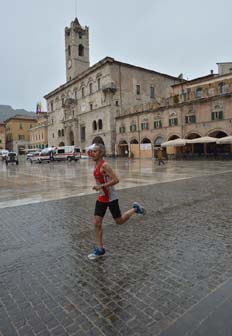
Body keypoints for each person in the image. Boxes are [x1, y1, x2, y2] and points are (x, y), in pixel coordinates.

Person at [88, 143, 146, 260]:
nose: (92, 153)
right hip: (101, 198)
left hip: (111, 198)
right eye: (92, 151)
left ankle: (135, 209)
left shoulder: (105, 165)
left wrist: (102, 185)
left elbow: (116, 180)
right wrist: (99, 187)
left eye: (95, 151)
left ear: (101, 153)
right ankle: (100, 249)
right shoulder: (96, 164)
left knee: (119, 221)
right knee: (97, 223)